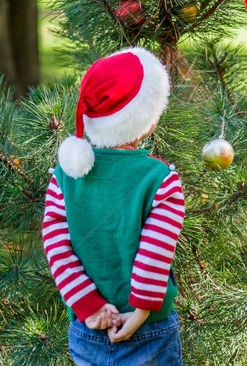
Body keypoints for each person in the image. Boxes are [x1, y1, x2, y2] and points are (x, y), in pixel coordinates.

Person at [41, 47, 185, 366]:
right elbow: (155, 251)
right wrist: (141, 310)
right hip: (150, 328)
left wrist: (89, 306)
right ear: (147, 121)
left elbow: (56, 246)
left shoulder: (65, 177)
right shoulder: (160, 179)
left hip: (88, 328)